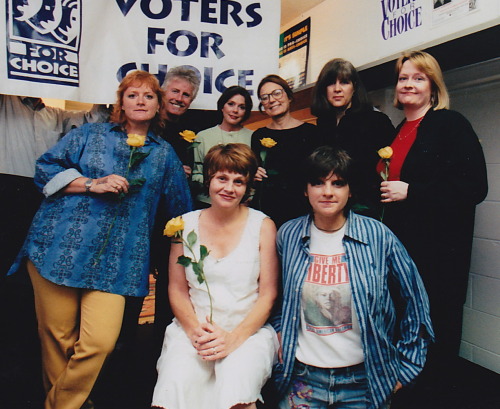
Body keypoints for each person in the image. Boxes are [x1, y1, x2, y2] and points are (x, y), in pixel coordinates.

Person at [7, 70, 192, 409]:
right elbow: (44, 169)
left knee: (101, 342)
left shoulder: (164, 155)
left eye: (148, 96)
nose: (140, 101)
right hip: (58, 248)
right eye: (132, 95)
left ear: (158, 105)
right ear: (121, 102)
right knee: (58, 340)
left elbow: (181, 212)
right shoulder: (90, 135)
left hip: (118, 261)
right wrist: (92, 183)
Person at [273, 146, 433, 409]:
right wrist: (280, 333)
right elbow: (274, 295)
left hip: (364, 382)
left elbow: (416, 301)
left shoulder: (378, 236)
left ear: (349, 190)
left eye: (338, 183)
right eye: (317, 183)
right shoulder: (288, 235)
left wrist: (407, 367)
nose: (327, 192)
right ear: (305, 190)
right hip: (303, 379)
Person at [378, 51, 488, 390]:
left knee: (435, 335)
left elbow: (475, 186)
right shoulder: (400, 130)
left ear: (433, 86)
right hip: (403, 250)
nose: (408, 84)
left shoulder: (449, 124)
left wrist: (413, 191)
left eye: (418, 77)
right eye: (403, 78)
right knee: (405, 329)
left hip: (437, 255)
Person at [152, 143, 279, 409]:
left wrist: (234, 338)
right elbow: (176, 289)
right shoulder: (182, 225)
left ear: (247, 187)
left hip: (247, 332)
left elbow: (268, 294)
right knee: (173, 389)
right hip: (194, 330)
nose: (229, 188)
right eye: (222, 178)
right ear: (209, 179)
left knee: (237, 392)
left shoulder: (263, 226)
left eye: (238, 181)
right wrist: (195, 332)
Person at [311, 58, 395, 219]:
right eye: (331, 83)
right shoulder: (322, 123)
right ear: (323, 89)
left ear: (354, 87)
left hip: (367, 209)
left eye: (344, 82)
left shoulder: (376, 121)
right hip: (330, 207)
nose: (337, 89)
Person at [251, 74, 318, 227]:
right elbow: (253, 175)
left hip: (303, 212)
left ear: (289, 96)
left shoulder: (312, 133)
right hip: (266, 212)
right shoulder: (258, 136)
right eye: (265, 97)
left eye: (277, 93)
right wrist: (253, 174)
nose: (272, 100)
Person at [192, 85, 253, 208]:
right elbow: (196, 174)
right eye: (231, 104)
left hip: (242, 204)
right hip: (206, 203)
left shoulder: (253, 137)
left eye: (241, 107)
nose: (235, 110)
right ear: (222, 106)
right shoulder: (203, 136)